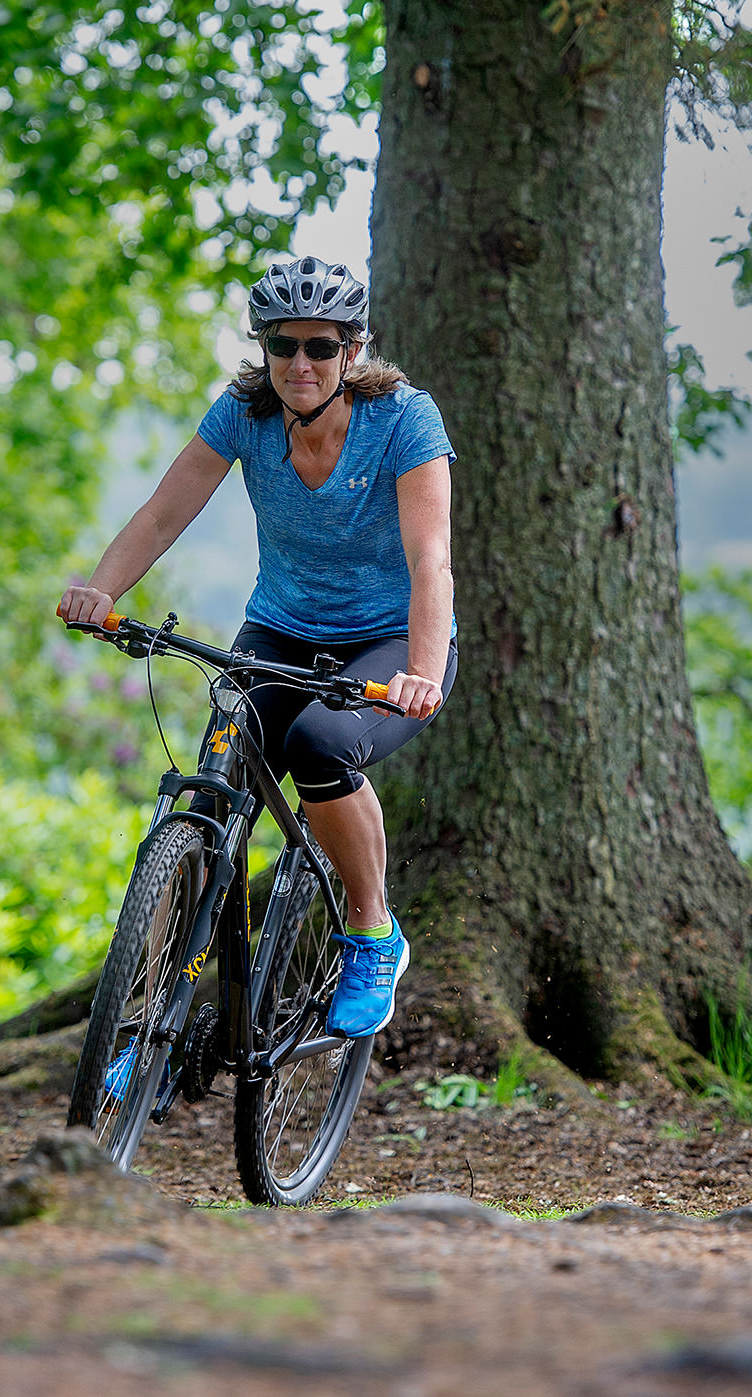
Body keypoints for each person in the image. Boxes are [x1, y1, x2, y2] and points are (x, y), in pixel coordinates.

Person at [58, 256, 456, 1042]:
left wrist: (420, 670)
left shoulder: (405, 419)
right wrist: (103, 591)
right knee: (210, 794)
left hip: (388, 638)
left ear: (353, 349)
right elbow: (161, 516)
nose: (299, 364)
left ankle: (372, 932)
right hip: (280, 631)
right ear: (263, 348)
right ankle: (141, 1025)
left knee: (319, 745)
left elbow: (429, 560)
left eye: (318, 345)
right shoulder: (243, 411)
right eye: (282, 346)